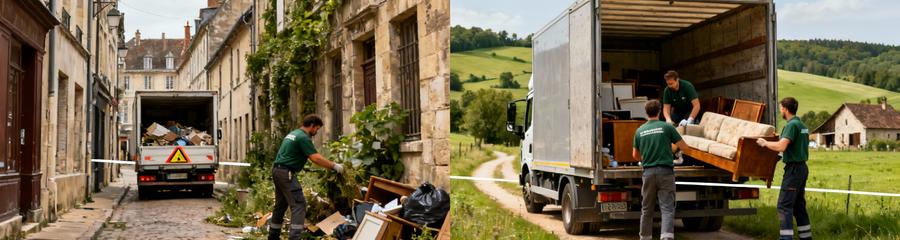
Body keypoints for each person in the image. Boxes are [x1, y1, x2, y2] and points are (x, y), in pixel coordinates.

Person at [269, 115, 345, 240]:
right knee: (299, 205)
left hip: (278, 171)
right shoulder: (303, 137)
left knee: (280, 205)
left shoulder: (293, 134)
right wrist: (334, 166)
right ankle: (294, 238)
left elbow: (290, 155)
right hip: (286, 173)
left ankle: (273, 237)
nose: (316, 132)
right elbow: (315, 158)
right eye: (317, 129)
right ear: (312, 125)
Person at [632, 100, 690, 240]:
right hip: (665, 173)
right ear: (659, 112)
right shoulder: (667, 127)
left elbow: (635, 155)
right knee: (667, 208)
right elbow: (685, 147)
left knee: (646, 209)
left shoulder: (639, 131)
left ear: (646, 113)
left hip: (648, 173)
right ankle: (666, 238)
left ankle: (645, 237)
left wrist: (645, 157)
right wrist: (673, 149)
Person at [756, 97, 812, 240]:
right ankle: (806, 238)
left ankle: (786, 239)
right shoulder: (802, 125)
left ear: (785, 109)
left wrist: (765, 143)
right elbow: (790, 148)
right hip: (802, 169)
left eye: (781, 108)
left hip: (793, 170)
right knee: (798, 207)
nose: (780, 110)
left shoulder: (791, 125)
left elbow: (781, 146)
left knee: (784, 206)